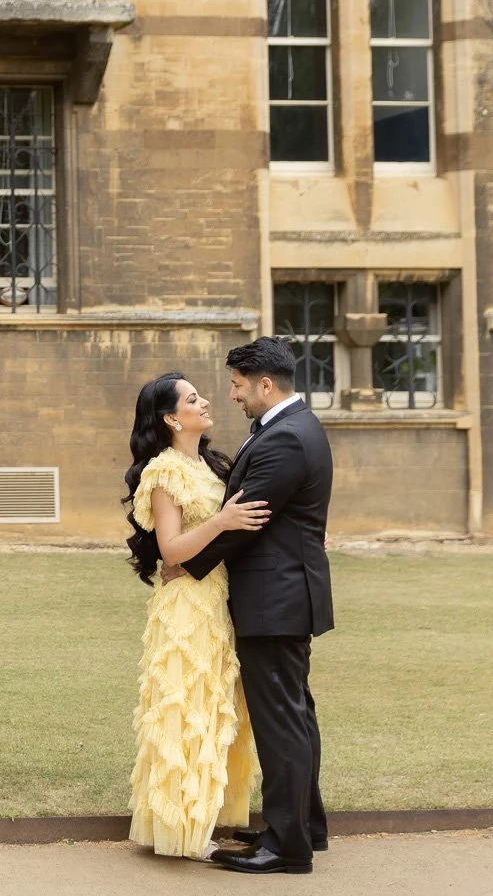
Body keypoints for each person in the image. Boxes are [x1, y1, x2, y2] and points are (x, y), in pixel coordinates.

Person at [179, 337, 336, 875]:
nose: (232, 395)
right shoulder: (291, 427)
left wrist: (184, 564)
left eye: (238, 385)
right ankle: (303, 827)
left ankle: (287, 846)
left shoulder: (286, 439)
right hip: (288, 593)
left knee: (282, 722)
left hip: (276, 598)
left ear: (265, 384)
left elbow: (246, 520)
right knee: (296, 714)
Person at [124, 371, 267, 860]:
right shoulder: (164, 473)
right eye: (192, 398)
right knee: (186, 709)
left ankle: (206, 815)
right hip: (186, 605)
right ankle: (181, 831)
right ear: (170, 418)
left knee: (216, 707)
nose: (206, 401)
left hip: (219, 599)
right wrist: (223, 520)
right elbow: (171, 550)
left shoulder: (209, 468)